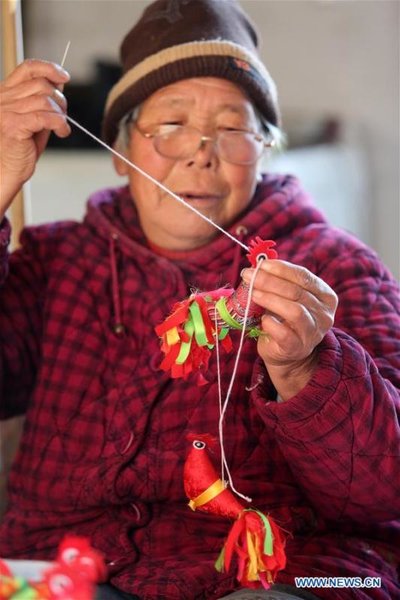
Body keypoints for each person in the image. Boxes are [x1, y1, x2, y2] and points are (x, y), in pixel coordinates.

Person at [0, 1, 399, 599]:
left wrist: (306, 368)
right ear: (120, 151)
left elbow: (384, 493)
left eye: (234, 129)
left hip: (284, 573)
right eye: (170, 124)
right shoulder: (60, 261)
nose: (201, 151)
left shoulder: (335, 269)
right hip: (65, 569)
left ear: (267, 149)